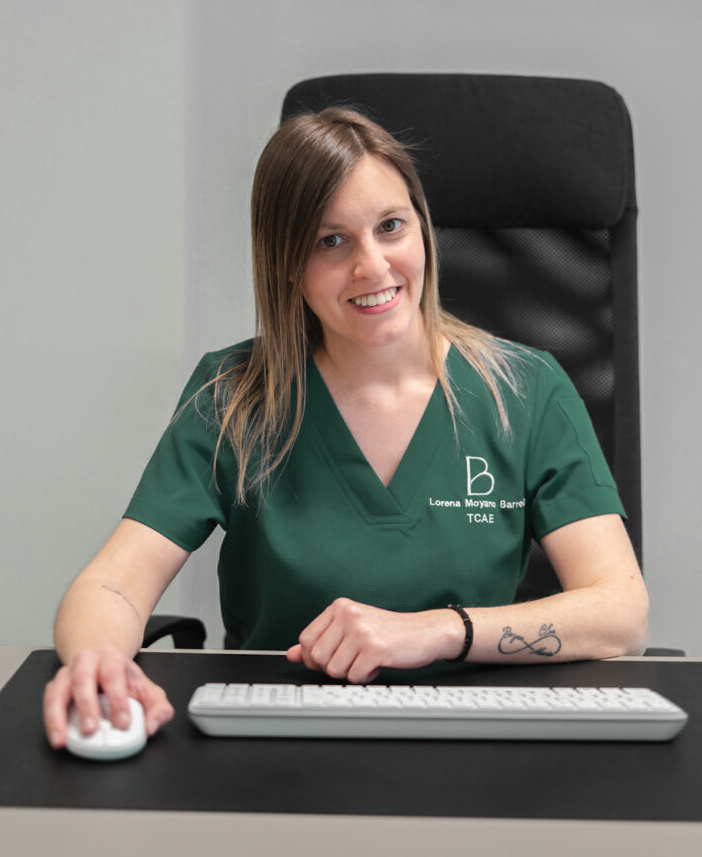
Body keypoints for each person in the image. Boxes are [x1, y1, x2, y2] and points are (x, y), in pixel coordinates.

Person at [43, 107, 649, 748]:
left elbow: (621, 612)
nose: (373, 266)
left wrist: (440, 629)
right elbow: (113, 583)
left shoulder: (526, 390)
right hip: (276, 739)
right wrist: (97, 660)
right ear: (286, 263)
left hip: (471, 739)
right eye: (330, 242)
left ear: (423, 229)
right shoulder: (235, 395)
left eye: (391, 226)